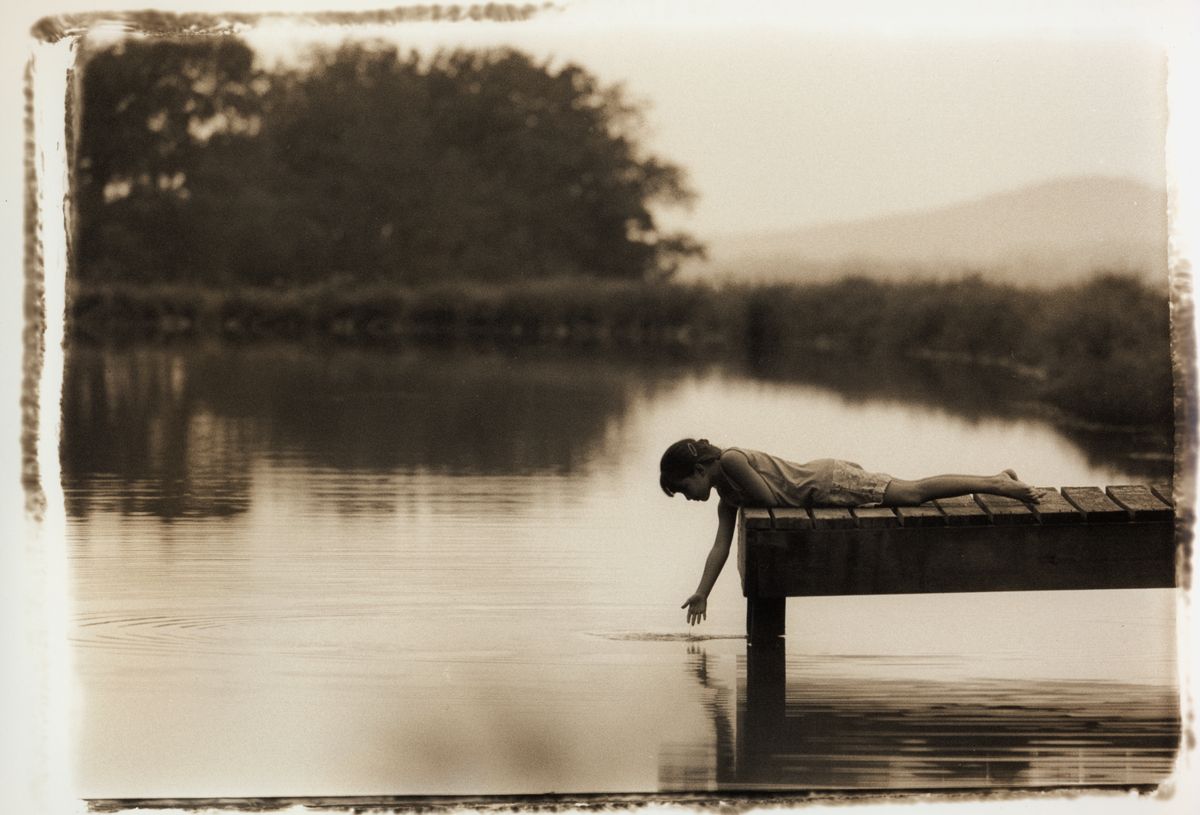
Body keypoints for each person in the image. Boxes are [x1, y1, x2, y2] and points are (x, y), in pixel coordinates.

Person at [659, 438, 1045, 626]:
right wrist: (703, 592)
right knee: (914, 493)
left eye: (683, 488)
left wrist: (735, 502)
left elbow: (768, 500)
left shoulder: (731, 461)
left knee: (913, 493)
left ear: (699, 471)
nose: (687, 497)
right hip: (824, 488)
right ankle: (996, 480)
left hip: (831, 482)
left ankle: (996, 483)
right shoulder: (727, 498)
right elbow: (720, 547)